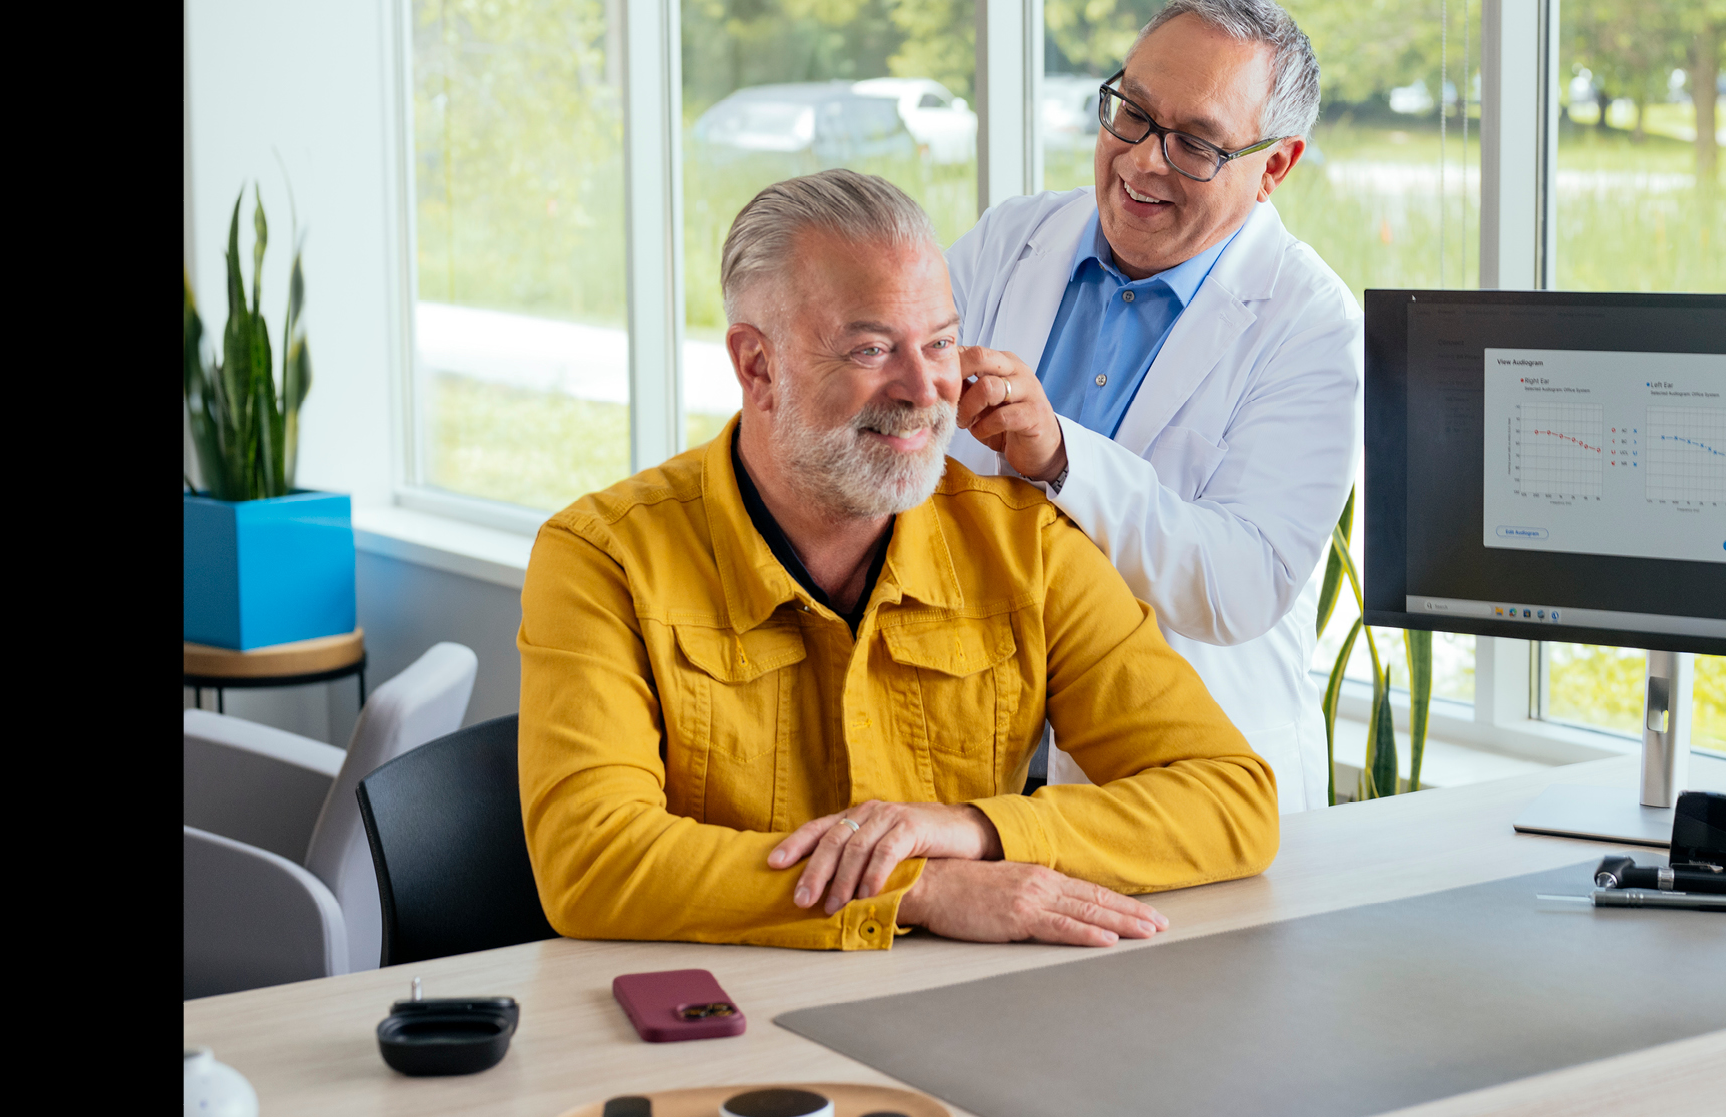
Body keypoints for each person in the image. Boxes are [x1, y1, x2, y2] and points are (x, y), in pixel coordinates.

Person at [516, 169, 1277, 952]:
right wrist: (920, 888)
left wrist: (971, 831)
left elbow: (1231, 801)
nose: (925, 389)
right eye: (872, 348)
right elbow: (591, 858)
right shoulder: (600, 557)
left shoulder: (1029, 547)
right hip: (719, 1024)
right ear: (757, 366)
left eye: (942, 341)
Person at [948, 0, 1356, 812]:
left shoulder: (1312, 325)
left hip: (1173, 781)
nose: (1143, 161)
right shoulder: (1011, 240)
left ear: (1274, 167)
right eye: (1131, 114)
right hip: (974, 756)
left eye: (1196, 144)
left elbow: (1244, 581)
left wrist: (1059, 457)